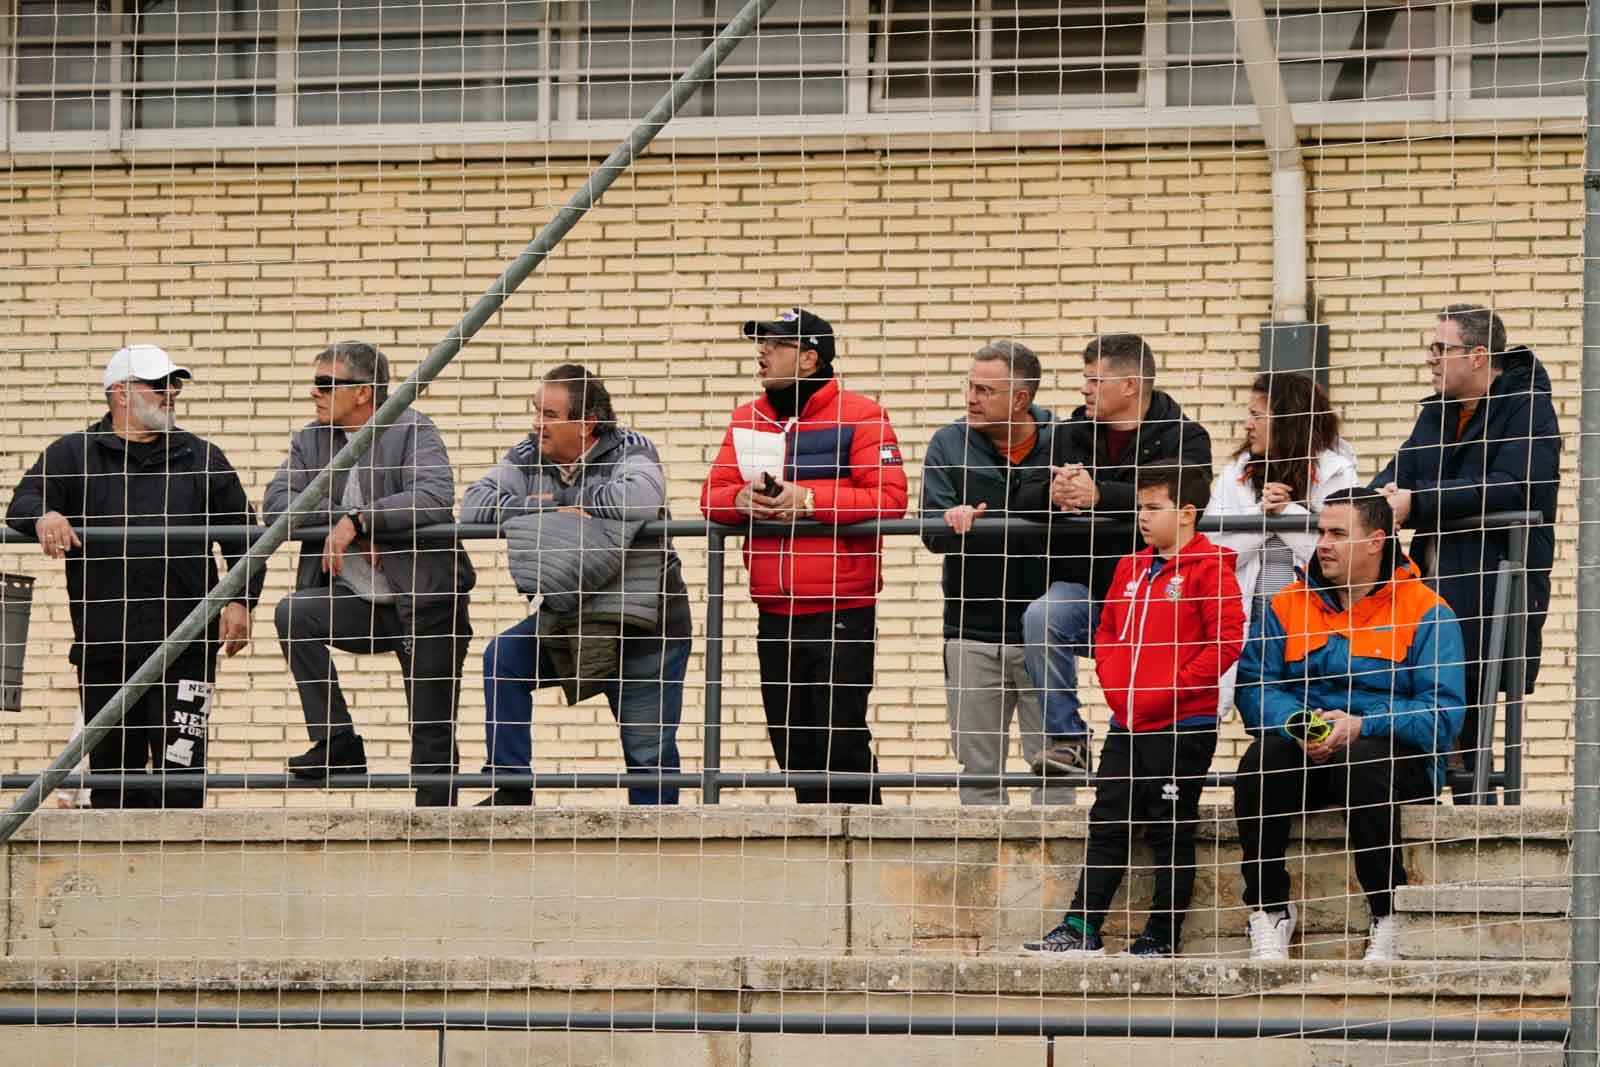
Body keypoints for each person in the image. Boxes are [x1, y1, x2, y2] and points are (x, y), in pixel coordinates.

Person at [6, 344, 264, 809]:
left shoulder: (201, 456)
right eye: (159, 385)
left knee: (182, 773)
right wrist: (45, 515)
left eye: (176, 385)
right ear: (120, 393)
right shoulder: (74, 454)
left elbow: (248, 539)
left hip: (187, 645)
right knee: (112, 780)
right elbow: (23, 504)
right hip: (106, 646)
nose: (171, 394)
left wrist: (241, 600)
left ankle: (183, 879)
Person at [1233, 488, 1466, 962]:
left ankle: (1387, 916)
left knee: (1361, 760)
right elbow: (1255, 687)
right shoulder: (1286, 604)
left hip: (1395, 761)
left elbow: (1443, 712)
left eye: (1338, 534)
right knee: (1261, 760)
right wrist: (1299, 725)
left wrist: (1364, 724)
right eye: (1321, 532)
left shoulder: (1428, 610)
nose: (1323, 544)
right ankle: (1270, 911)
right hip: (1313, 749)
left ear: (1377, 541)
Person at [1023, 462, 1243, 957]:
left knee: (1168, 828)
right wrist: (1118, 685)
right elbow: (1108, 633)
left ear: (1187, 513)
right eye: (1140, 507)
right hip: (1128, 722)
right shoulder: (1131, 567)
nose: (1142, 517)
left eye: (1152, 508)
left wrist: (1170, 691)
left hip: (1183, 724)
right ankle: (1081, 928)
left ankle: (1161, 936)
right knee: (1107, 822)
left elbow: (1226, 642)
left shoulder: (1212, 567)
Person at [700, 307, 908, 804]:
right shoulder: (746, 418)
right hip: (774, 608)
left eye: (776, 345)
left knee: (842, 742)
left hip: (843, 609)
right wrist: (739, 500)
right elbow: (711, 495)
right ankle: (819, 857)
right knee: (792, 746)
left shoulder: (863, 414)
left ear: (810, 358)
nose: (761, 352)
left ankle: (866, 850)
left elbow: (890, 500)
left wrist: (810, 501)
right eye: (762, 343)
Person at [461, 364, 692, 807]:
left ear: (586, 423)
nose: (537, 424)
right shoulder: (528, 452)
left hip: (646, 626)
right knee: (503, 660)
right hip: (570, 617)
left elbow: (640, 499)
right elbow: (473, 507)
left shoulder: (632, 447)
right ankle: (511, 789)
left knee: (648, 757)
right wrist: (547, 506)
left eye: (549, 414)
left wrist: (563, 505)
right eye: (536, 411)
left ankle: (662, 848)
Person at [266, 341, 475, 808]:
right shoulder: (311, 439)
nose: (314, 394)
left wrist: (361, 521)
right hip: (356, 601)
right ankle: (337, 742)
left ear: (363, 392)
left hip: (427, 600)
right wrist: (351, 527)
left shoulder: (413, 430)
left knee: (431, 729)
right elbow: (278, 505)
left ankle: (434, 828)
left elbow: (434, 496)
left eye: (325, 384)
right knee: (295, 614)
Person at [1372, 303, 1561, 804]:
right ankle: (1424, 812)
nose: (1431, 359)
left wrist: (1418, 504)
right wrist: (1365, 507)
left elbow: (1513, 487)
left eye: (1441, 349)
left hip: (1489, 584)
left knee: (1470, 710)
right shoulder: (1436, 412)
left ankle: (1474, 820)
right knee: (1430, 702)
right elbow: (1398, 476)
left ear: (1478, 355)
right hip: (1431, 587)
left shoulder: (1527, 406)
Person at [1011, 333, 1212, 777]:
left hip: (1159, 596)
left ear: (1131, 385)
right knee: (1045, 616)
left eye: (1094, 380)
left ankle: (1158, 763)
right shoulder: (1069, 432)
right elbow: (1024, 493)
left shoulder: (1186, 436)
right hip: (1091, 589)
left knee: (1151, 715)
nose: (1084, 389)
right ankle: (1069, 741)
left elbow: (1188, 494)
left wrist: (1100, 494)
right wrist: (1055, 493)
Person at [920, 341, 1073, 806]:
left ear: (1021, 399)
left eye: (985, 390)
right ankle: (982, 877)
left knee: (1054, 769)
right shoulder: (948, 442)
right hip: (971, 631)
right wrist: (954, 522)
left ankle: (1057, 877)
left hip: (1044, 636)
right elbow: (932, 531)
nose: (972, 398)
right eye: (970, 386)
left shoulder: (1065, 440)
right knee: (978, 774)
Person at [1208, 372, 1358, 714]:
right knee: (1261, 714)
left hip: (1312, 620)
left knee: (1310, 710)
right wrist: (1264, 516)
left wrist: (1287, 512)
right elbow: (1217, 554)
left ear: (1288, 420)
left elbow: (1335, 556)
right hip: (1250, 616)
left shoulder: (1338, 472)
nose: (1247, 424)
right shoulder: (1235, 473)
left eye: (1257, 415)